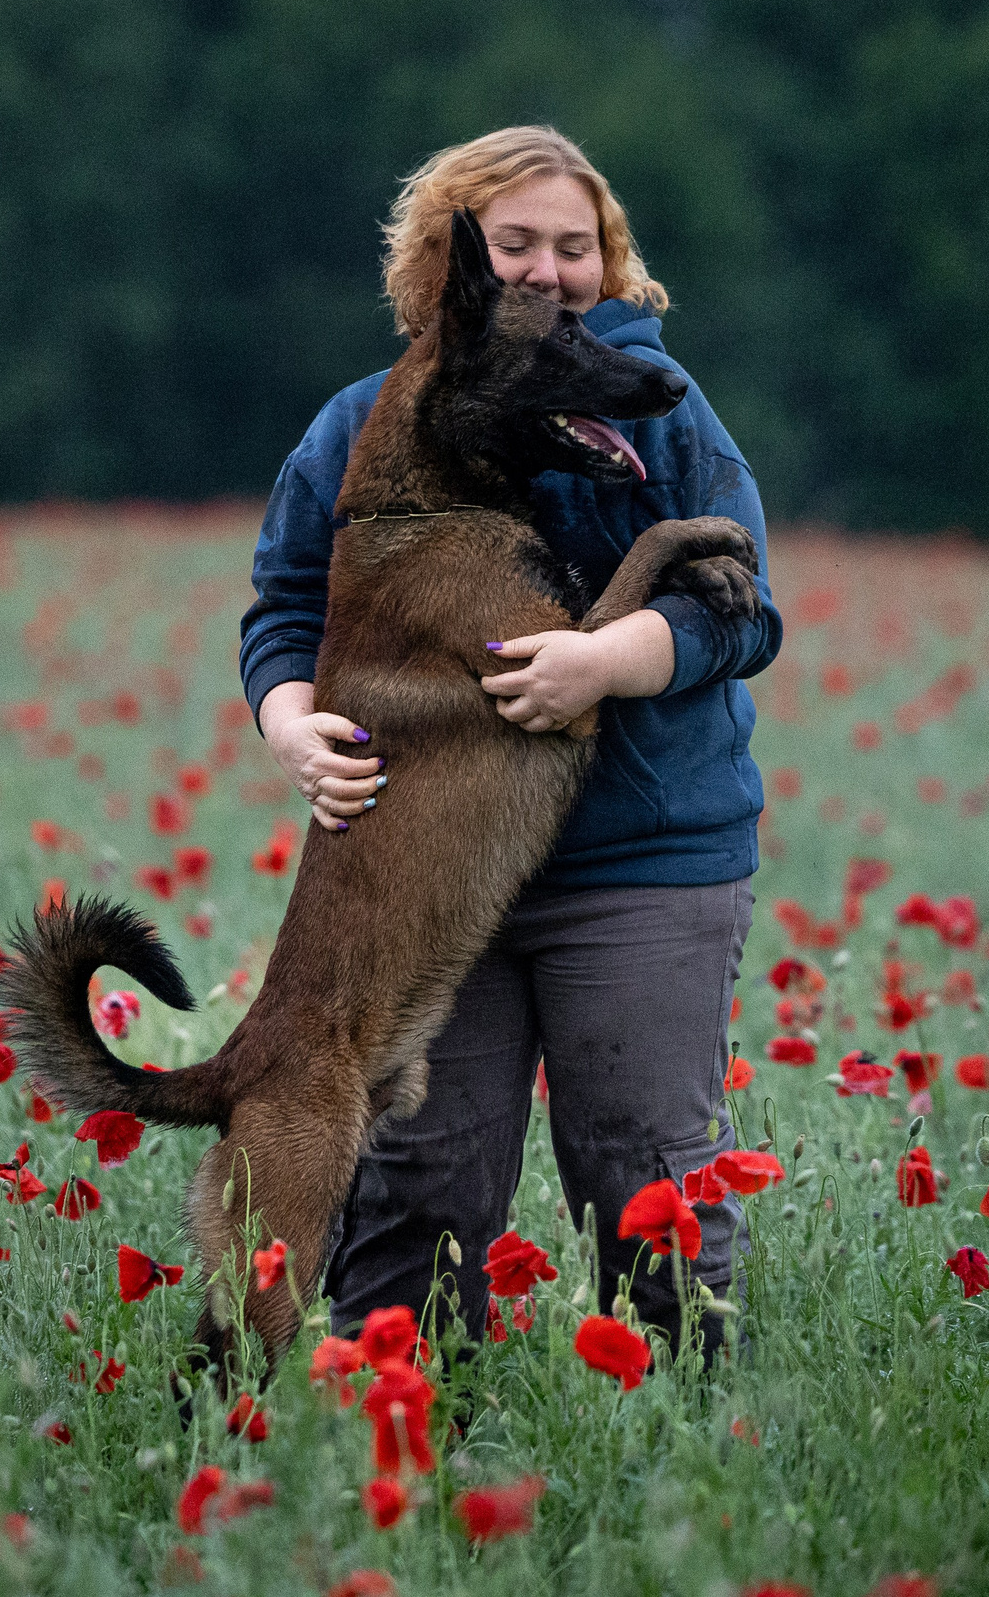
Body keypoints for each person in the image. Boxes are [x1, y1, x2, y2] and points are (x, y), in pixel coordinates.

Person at [238, 125, 781, 1353]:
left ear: (611, 260)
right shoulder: (359, 426)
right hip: (436, 877)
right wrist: (290, 725)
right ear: (457, 261)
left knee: (647, 1172)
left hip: (642, 862)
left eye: (575, 245)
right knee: (420, 1185)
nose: (547, 268)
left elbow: (743, 612)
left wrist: (607, 657)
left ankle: (688, 1455)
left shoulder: (668, 408)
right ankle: (406, 1458)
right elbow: (282, 604)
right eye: (517, 242)